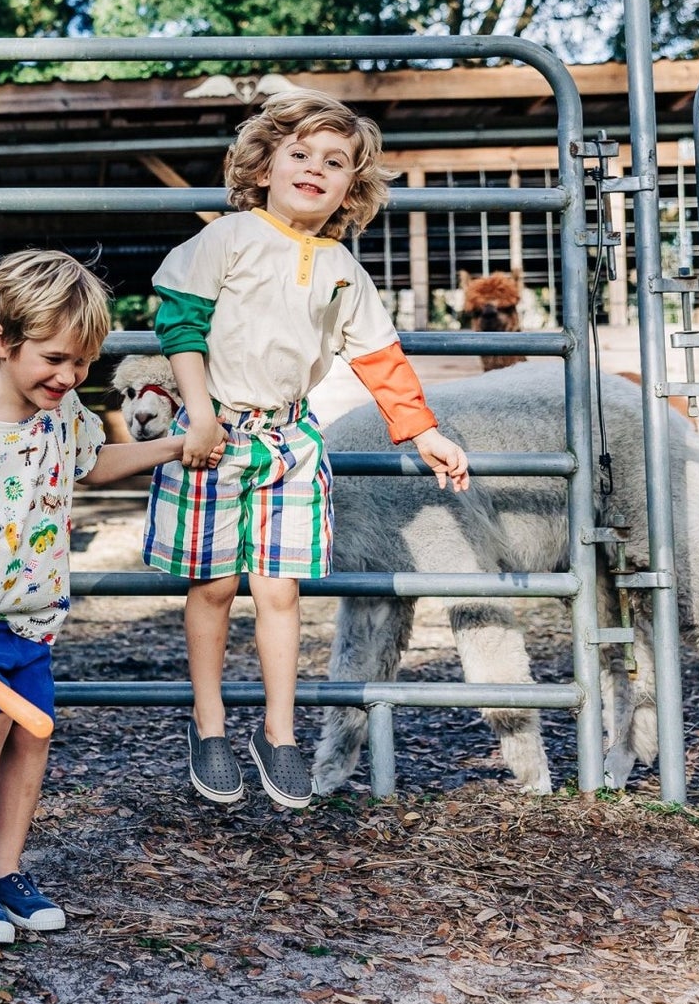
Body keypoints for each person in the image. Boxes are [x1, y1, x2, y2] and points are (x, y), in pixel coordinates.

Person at [144, 90, 470, 811]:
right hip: (213, 430)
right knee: (214, 587)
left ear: (351, 190)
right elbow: (181, 324)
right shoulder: (227, 239)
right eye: (301, 154)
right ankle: (209, 726)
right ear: (264, 168)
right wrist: (196, 414)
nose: (316, 169)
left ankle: (279, 732)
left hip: (290, 440)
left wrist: (425, 432)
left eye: (336, 162)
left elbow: (380, 358)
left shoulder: (342, 270)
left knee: (280, 590)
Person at [0, 249, 189, 945]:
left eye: (81, 362)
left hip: (22, 614)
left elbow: (93, 463)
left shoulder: (62, 406)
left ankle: (7, 869)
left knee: (34, 736)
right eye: (54, 359)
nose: (69, 376)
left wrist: (173, 449)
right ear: (0, 339)